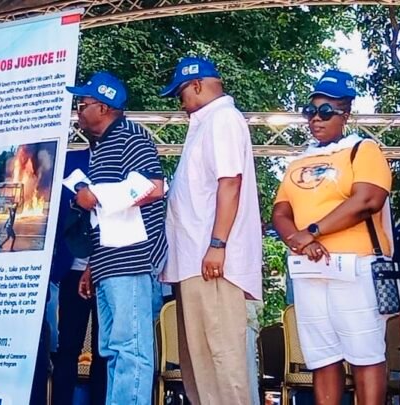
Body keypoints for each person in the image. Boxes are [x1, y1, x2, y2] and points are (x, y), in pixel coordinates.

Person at [272, 70, 392, 405]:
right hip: (309, 268)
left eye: (326, 111)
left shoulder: (362, 149)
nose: (316, 118)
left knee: (365, 353)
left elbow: (367, 200)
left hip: (355, 265)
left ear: (346, 114)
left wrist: (313, 232)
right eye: (310, 111)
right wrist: (299, 241)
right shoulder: (299, 160)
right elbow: (280, 212)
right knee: (322, 356)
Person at [158, 57, 263, 405]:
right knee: (199, 366)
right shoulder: (206, 123)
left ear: (197, 85)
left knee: (222, 362)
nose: (180, 104)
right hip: (194, 262)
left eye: (181, 94)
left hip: (211, 263)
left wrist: (217, 244)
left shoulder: (222, 119)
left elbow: (230, 183)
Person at [67, 72, 166, 405]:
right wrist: (92, 265)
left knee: (130, 349)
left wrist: (95, 195)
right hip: (109, 262)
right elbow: (107, 218)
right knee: (112, 350)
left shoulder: (131, 137)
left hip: (132, 260)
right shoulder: (102, 147)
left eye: (82, 105)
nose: (78, 112)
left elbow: (153, 187)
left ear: (104, 107)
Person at [50, 148, 107, 405]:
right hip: (71, 268)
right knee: (68, 347)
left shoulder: (119, 158)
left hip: (107, 269)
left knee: (103, 350)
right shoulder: (69, 160)